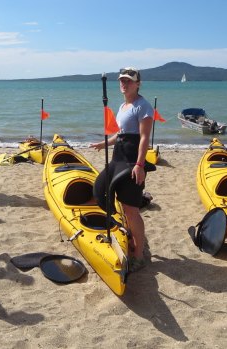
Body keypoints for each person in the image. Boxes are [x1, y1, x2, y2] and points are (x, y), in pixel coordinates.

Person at [89, 67, 153, 273]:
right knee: (100, 189)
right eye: (122, 81)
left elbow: (143, 138)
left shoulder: (143, 106)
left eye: (128, 81)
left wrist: (140, 165)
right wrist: (103, 143)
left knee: (132, 209)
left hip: (132, 161)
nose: (124, 84)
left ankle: (139, 255)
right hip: (118, 158)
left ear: (138, 83)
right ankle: (128, 235)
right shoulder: (123, 106)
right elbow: (121, 134)